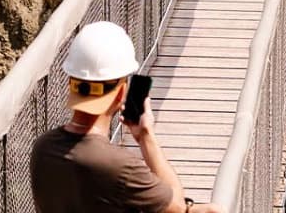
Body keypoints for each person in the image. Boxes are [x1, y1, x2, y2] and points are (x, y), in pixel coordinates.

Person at [30, 21, 226, 213]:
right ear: (121, 92)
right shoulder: (120, 166)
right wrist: (146, 137)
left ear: (71, 85)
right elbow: (177, 206)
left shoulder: (42, 148)